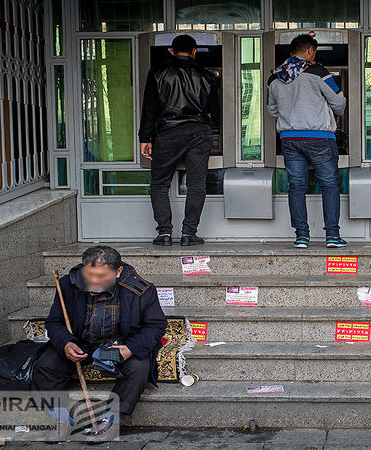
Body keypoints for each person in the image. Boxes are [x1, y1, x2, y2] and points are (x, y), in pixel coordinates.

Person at [32, 246, 168, 440]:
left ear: (118, 272)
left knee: (139, 367)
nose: (94, 281)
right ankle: (60, 419)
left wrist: (131, 348)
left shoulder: (141, 289)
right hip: (81, 342)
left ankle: (109, 420)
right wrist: (66, 343)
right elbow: (55, 322)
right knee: (46, 364)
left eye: (102, 276)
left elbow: (156, 325)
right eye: (89, 274)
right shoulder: (67, 285)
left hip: (119, 344)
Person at [266, 34, 347, 249]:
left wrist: (291, 116)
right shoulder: (318, 72)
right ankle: (332, 236)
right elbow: (338, 100)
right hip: (319, 137)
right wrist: (335, 114)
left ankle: (301, 236)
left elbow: (272, 109)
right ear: (310, 50)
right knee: (329, 185)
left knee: (296, 186)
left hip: (290, 139)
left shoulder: (273, 78)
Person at [138, 34, 219, 247]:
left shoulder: (157, 72)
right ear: (194, 51)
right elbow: (215, 112)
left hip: (168, 132)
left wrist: (145, 137)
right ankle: (189, 234)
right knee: (196, 184)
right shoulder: (208, 75)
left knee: (159, 183)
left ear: (172, 51)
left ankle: (164, 233)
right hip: (200, 132)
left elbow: (149, 108)